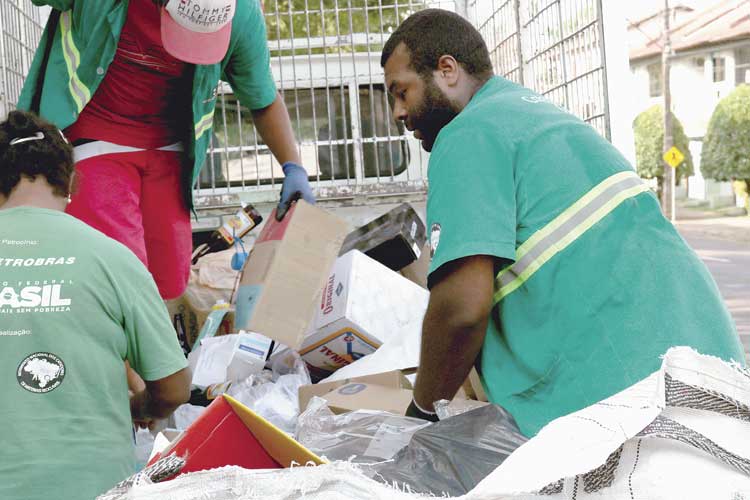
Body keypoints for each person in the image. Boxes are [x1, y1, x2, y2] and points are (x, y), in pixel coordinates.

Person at [381, 9, 747, 436]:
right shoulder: (528, 113)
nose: (398, 113)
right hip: (705, 359)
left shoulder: (466, 134)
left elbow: (461, 308)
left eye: (401, 92)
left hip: (631, 392)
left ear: (447, 70)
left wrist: (422, 413)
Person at [19, 0, 315, 300]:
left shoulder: (242, 14)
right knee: (121, 274)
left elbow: (262, 98)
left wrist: (293, 167)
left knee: (170, 281)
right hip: (97, 134)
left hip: (169, 146)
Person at [0, 110, 191, 500]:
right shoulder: (113, 258)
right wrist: (137, 407)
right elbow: (173, 389)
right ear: (70, 180)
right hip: (94, 486)